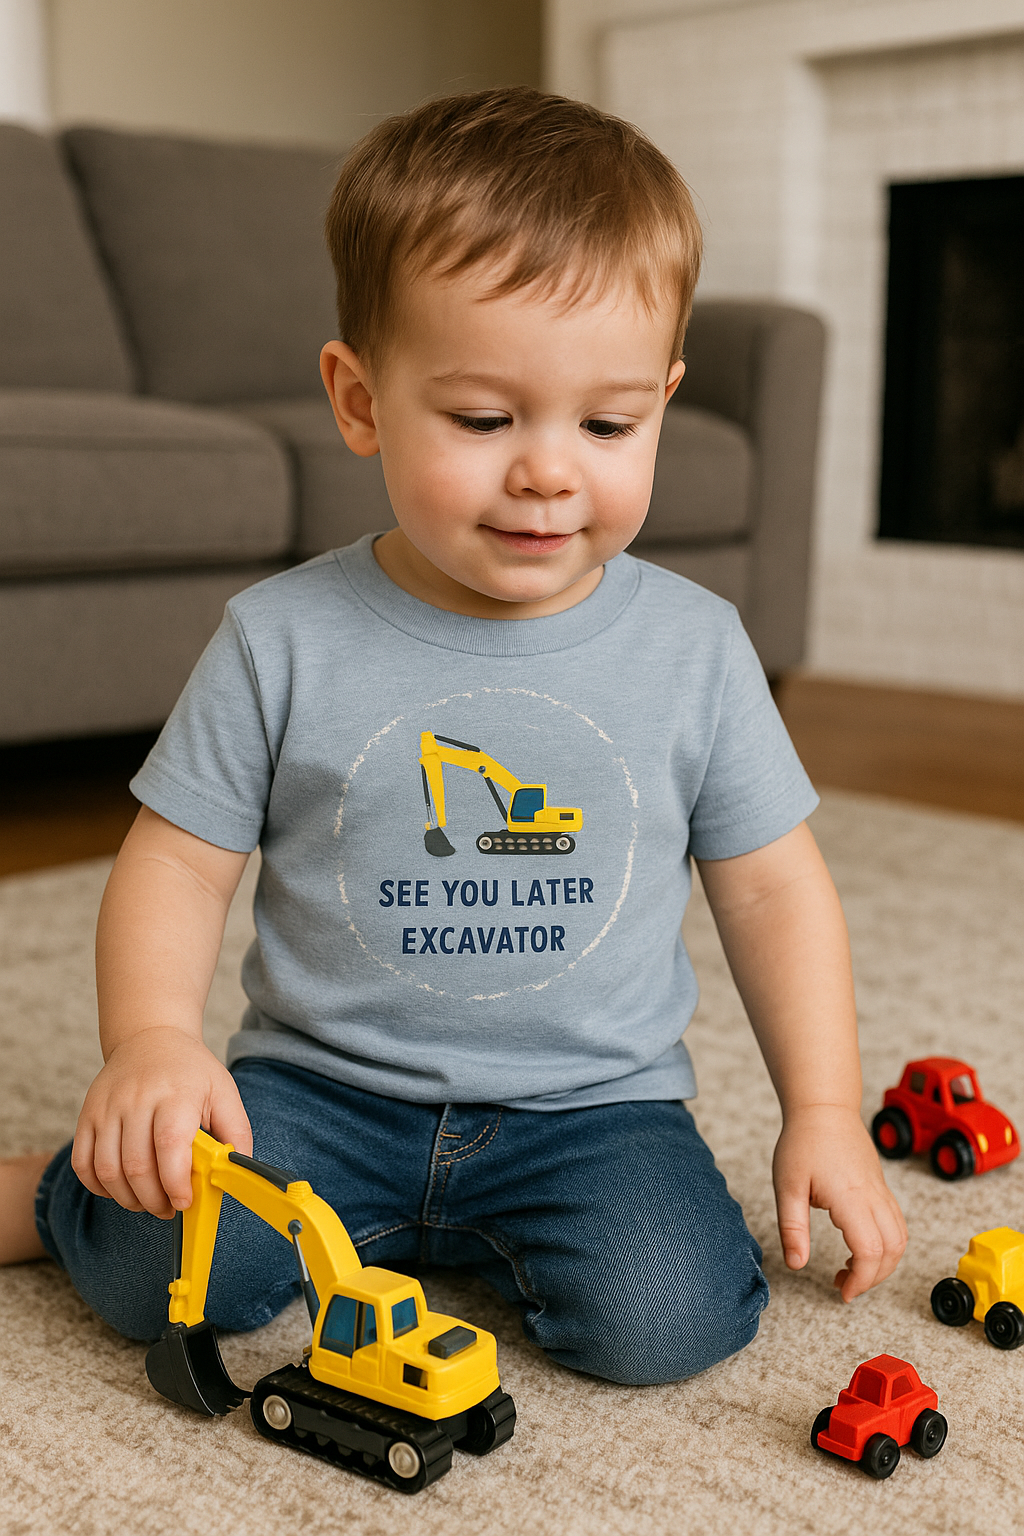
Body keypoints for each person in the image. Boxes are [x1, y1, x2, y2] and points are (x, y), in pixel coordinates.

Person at [0, 88, 906, 1384]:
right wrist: (152, 1041)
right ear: (360, 401)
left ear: (664, 399)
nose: (548, 470)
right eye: (485, 420)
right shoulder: (282, 635)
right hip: (318, 1092)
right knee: (169, 1277)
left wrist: (823, 1110)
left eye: (608, 425)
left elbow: (772, 888)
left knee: (671, 1319)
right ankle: (52, 1193)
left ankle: (467, 1234)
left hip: (592, 1113)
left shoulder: (697, 647)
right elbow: (177, 863)